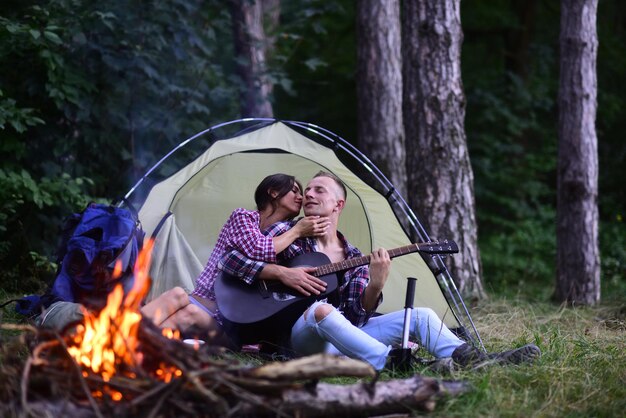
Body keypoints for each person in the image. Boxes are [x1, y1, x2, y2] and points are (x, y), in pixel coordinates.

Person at [219, 171, 541, 370]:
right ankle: (393, 364)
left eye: (319, 190)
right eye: (309, 190)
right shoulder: (288, 237)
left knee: (421, 316)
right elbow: (230, 261)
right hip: (297, 338)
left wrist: (375, 284)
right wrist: (281, 274)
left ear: (338, 205)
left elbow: (355, 320)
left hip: (342, 338)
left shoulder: (355, 256)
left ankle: (472, 359)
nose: (308, 195)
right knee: (320, 311)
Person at [182, 173, 330, 346]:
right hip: (204, 301)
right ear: (274, 192)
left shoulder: (289, 237)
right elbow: (255, 249)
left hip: (230, 319)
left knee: (178, 308)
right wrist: (297, 231)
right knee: (175, 298)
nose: (301, 197)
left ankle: (142, 346)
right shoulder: (243, 217)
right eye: (295, 191)